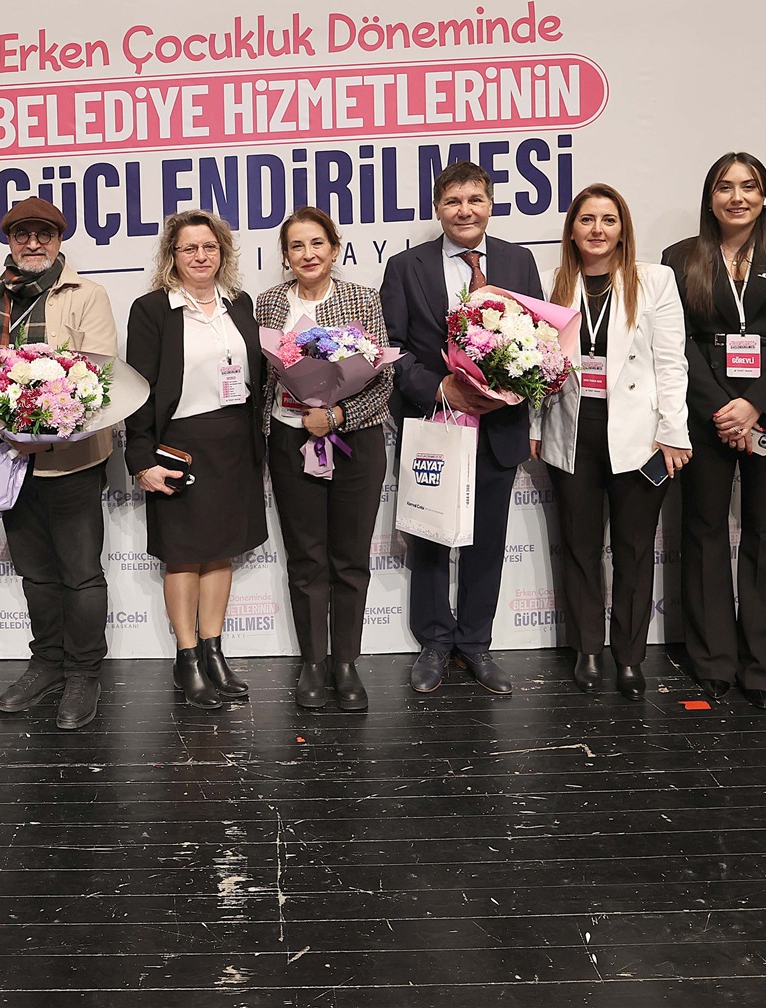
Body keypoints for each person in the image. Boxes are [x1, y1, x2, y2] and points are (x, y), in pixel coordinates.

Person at [662, 153, 766, 711]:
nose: (737, 197)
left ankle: (763, 671)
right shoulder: (680, 258)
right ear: (710, 199)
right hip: (705, 412)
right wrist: (721, 410)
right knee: (703, 533)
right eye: (725, 187)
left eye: (749, 187)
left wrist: (753, 405)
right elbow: (676, 340)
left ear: (764, 195)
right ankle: (713, 663)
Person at [381, 161, 543, 695]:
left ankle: (475, 642)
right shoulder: (405, 267)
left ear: (491, 205)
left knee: (487, 541)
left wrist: (510, 389)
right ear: (437, 209)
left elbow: (540, 340)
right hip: (434, 422)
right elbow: (392, 349)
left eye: (475, 199)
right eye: (453, 201)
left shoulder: (519, 261)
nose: (465, 210)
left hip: (499, 425)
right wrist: (440, 389)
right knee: (430, 537)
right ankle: (433, 642)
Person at [534, 185, 691, 700]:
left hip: (640, 437)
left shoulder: (654, 280)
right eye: (586, 219)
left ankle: (628, 656)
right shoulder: (554, 283)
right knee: (579, 547)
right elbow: (535, 363)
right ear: (571, 231)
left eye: (608, 219)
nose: (597, 229)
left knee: (634, 550)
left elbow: (671, 363)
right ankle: (586, 649)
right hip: (573, 431)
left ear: (623, 229)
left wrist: (673, 431)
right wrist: (534, 427)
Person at [0, 196, 118, 731]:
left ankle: (83, 673)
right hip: (10, 463)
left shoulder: (87, 294)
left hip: (71, 462)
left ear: (59, 240)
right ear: (9, 241)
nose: (33, 243)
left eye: (44, 234)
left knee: (80, 574)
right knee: (34, 572)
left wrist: (43, 436)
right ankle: (48, 663)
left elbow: (98, 379)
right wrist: (8, 436)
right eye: (22, 235)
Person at [124, 210, 268, 710]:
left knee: (221, 552)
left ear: (222, 252)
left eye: (209, 247)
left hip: (234, 442)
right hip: (179, 445)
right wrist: (140, 459)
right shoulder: (152, 310)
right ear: (173, 255)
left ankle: (213, 651)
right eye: (189, 248)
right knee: (184, 554)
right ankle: (187, 658)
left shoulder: (240, 303)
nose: (201, 256)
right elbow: (139, 390)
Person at [256, 207, 394, 711]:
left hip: (356, 442)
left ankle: (346, 663)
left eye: (317, 243)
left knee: (350, 558)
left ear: (335, 249)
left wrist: (335, 415)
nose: (308, 254)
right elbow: (265, 379)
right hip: (290, 442)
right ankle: (313, 661)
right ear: (285, 255)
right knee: (306, 557)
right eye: (296, 246)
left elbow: (382, 377)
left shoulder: (362, 298)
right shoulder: (270, 303)